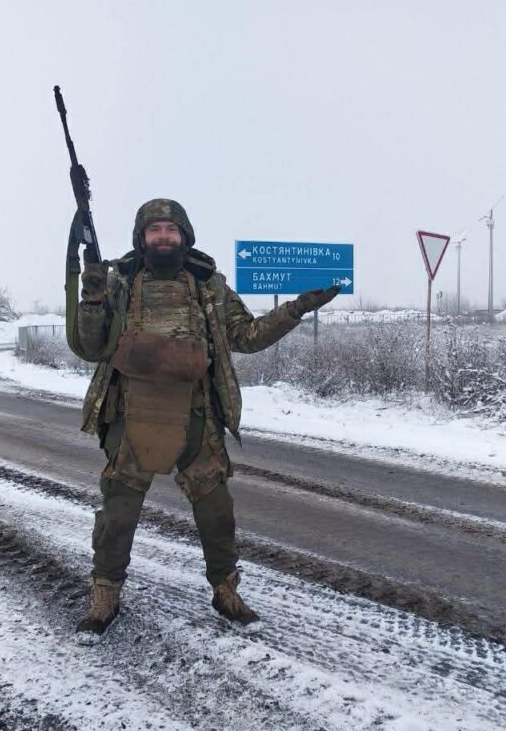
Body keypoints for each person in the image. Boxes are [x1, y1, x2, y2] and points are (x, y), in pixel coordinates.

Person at [67, 199, 339, 639]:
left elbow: (246, 336)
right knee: (118, 512)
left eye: (170, 230)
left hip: (196, 412)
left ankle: (225, 592)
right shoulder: (118, 282)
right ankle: (105, 596)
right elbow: (92, 347)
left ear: (184, 236)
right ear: (142, 237)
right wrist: (92, 299)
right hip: (132, 411)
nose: (163, 237)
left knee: (216, 511)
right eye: (154, 230)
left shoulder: (208, 285)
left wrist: (295, 310)